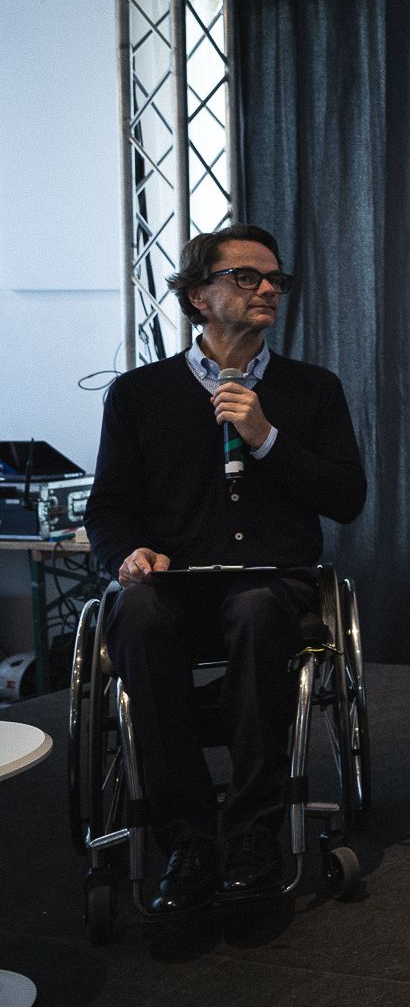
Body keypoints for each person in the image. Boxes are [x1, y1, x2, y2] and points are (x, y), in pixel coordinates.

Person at [86, 223, 367, 915]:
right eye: (247, 276)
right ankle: (186, 839)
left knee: (257, 607)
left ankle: (252, 835)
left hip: (272, 582)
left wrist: (264, 437)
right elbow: (109, 510)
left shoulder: (311, 390)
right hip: (174, 585)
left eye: (275, 279)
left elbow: (347, 498)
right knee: (137, 613)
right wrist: (128, 554)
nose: (268, 288)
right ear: (197, 297)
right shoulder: (138, 394)